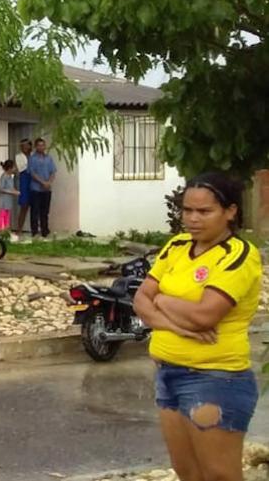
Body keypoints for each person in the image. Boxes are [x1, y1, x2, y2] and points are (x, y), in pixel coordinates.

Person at [132, 173, 261, 481]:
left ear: (230, 211)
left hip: (215, 378)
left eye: (204, 211)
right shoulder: (177, 246)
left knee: (219, 475)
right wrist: (176, 325)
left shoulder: (239, 255)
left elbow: (205, 315)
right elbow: (140, 300)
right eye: (187, 210)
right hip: (168, 373)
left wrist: (162, 299)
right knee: (187, 472)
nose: (193, 219)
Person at [27, 139, 57, 238]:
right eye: (39, 145)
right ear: (36, 147)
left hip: (47, 189)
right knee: (35, 211)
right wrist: (43, 182)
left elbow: (53, 172)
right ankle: (35, 232)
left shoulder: (49, 158)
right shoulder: (32, 158)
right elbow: (32, 173)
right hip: (36, 189)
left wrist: (49, 182)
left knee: (45, 212)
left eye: (43, 145)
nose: (41, 147)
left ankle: (45, 231)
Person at [13, 139, 33, 234]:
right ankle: (19, 229)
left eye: (26, 145)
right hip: (25, 180)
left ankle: (35, 230)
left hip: (34, 181)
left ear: (30, 146)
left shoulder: (34, 155)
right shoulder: (18, 156)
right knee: (24, 206)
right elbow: (21, 168)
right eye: (22, 145)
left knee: (35, 206)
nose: (24, 147)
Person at [0, 161, 18, 236]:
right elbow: (1, 189)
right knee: (2, 214)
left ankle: (6, 229)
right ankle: (0, 230)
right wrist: (12, 192)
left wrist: (15, 191)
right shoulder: (4, 176)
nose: (15, 168)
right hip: (4, 199)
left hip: (9, 199)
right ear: (9, 168)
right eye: (14, 167)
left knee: (7, 215)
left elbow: (11, 187)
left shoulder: (10, 176)